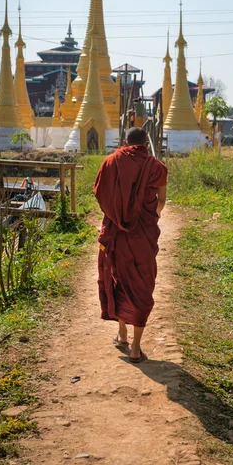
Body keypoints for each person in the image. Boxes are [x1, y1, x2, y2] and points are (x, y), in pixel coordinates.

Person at [93, 127, 167, 363]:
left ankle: (122, 334)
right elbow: (161, 201)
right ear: (146, 143)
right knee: (142, 286)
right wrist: (148, 217)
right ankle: (135, 347)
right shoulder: (157, 167)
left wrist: (116, 216)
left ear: (125, 142)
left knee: (119, 280)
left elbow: (100, 194)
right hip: (143, 236)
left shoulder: (111, 162)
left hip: (117, 236)